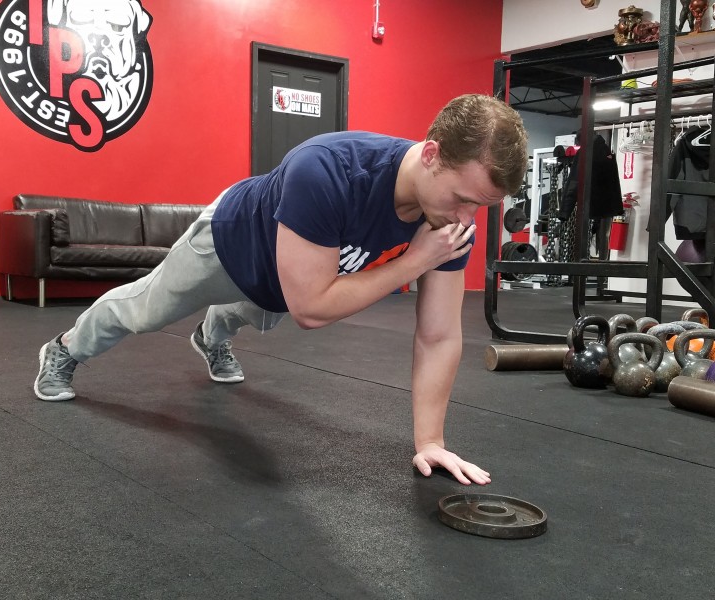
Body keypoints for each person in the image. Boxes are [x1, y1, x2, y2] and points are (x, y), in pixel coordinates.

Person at [34, 94, 528, 486]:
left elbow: (439, 336)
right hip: (230, 244)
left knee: (262, 308)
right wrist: (416, 261)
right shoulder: (328, 170)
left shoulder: (449, 219)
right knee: (147, 310)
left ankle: (211, 337)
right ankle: (63, 349)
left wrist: (431, 441)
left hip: (290, 281)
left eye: (480, 208)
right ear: (431, 154)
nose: (466, 220)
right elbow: (313, 310)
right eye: (462, 200)